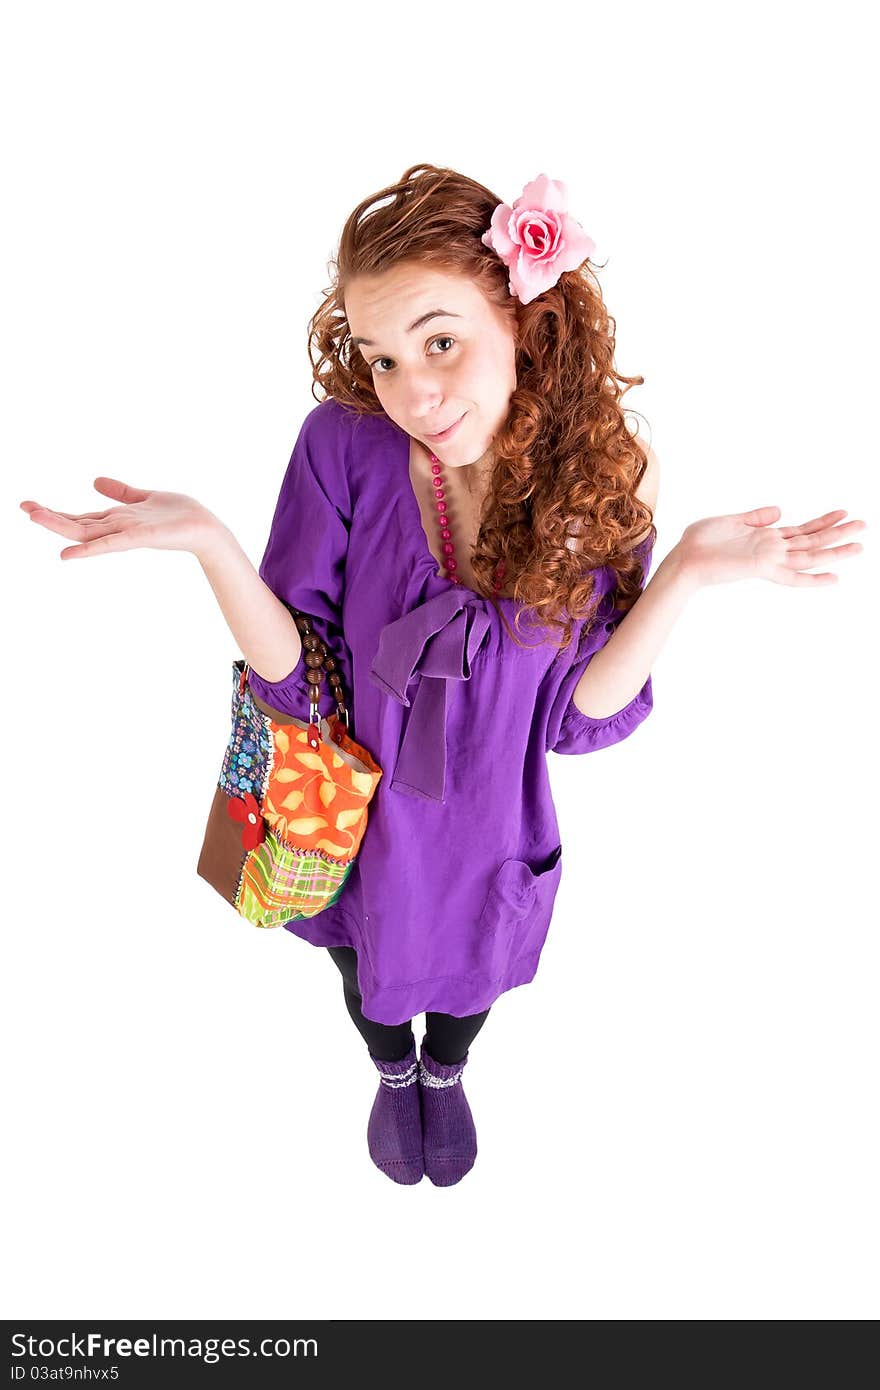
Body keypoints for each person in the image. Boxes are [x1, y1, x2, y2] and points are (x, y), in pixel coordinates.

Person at [20, 164, 866, 1189]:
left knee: (470, 984)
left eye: (440, 340)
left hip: (492, 830)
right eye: (380, 356)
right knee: (367, 977)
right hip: (351, 817)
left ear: (527, 320)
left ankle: (444, 1070)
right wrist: (213, 547)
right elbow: (305, 678)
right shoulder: (343, 448)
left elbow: (574, 719)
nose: (411, 390)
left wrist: (683, 573)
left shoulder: (597, 481)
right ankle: (389, 1067)